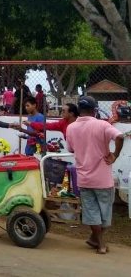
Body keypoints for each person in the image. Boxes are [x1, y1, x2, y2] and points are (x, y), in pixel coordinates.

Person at [66, 96, 124, 255]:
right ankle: (100, 243)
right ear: (95, 110)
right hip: (103, 179)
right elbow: (119, 136)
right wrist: (115, 155)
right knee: (105, 215)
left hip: (84, 178)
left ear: (79, 110)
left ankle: (95, 239)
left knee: (92, 213)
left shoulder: (71, 128)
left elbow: (71, 149)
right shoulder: (102, 125)